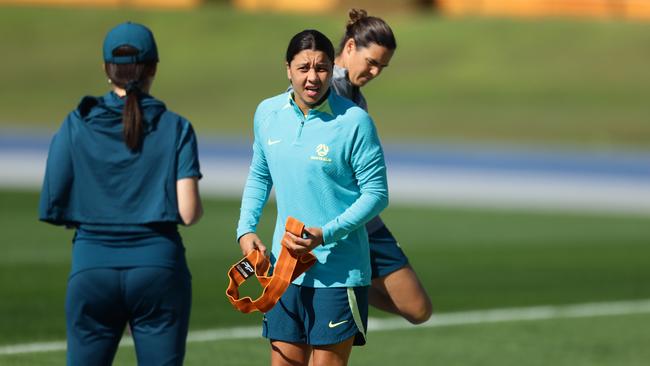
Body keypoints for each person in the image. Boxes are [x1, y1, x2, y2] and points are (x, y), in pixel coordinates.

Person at [39, 22, 202, 366]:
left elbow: (54, 199)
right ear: (154, 68)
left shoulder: (76, 123)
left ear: (105, 69)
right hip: (159, 268)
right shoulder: (177, 127)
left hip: (92, 267)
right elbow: (188, 212)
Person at [236, 29, 388, 366]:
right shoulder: (267, 114)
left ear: (332, 69)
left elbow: (377, 194)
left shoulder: (355, 122)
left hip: (339, 272)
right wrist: (245, 231)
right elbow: (260, 176)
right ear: (287, 69)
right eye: (303, 67)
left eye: (321, 68)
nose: (312, 77)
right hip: (283, 270)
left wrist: (325, 233)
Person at [332, 9, 433, 325]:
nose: (375, 72)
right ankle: (332, 289)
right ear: (350, 47)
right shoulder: (322, 90)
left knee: (417, 308)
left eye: (382, 67)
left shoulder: (355, 97)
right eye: (371, 62)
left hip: (364, 218)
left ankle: (342, 287)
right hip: (332, 221)